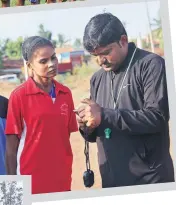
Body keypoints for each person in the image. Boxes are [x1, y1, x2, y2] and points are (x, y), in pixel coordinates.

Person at [75, 13, 175, 188]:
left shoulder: (151, 65)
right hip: (112, 180)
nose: (100, 61)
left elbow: (157, 118)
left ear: (123, 40)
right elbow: (98, 130)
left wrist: (104, 115)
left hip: (149, 179)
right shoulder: (97, 79)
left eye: (106, 52)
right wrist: (87, 126)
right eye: (95, 55)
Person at [5, 36, 78, 194]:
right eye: (43, 61)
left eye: (53, 58)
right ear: (30, 65)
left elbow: (64, 137)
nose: (51, 64)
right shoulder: (19, 96)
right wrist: (12, 184)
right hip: (31, 179)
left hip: (62, 176)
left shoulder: (65, 93)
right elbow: (11, 147)